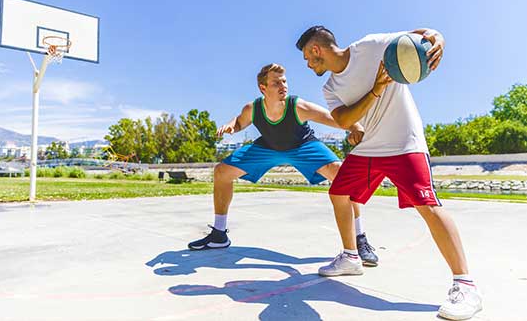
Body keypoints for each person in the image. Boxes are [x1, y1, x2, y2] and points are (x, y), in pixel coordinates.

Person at [296, 26, 482, 320]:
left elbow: (419, 34)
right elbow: (344, 119)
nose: (307, 64)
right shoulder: (330, 87)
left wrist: (439, 38)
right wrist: (376, 90)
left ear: (316, 49)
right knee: (339, 193)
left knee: (428, 207)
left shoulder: (370, 47)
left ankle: (465, 285)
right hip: (369, 147)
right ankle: (350, 256)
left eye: (308, 57)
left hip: (404, 142)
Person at [188, 63, 379, 267]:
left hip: (303, 145)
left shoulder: (297, 106)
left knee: (342, 176)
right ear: (263, 88)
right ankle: (219, 234)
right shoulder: (253, 109)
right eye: (276, 83)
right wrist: (231, 126)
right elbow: (239, 122)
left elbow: (334, 118)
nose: (283, 86)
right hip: (268, 147)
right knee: (221, 172)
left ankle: (359, 239)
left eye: (284, 81)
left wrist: (355, 126)